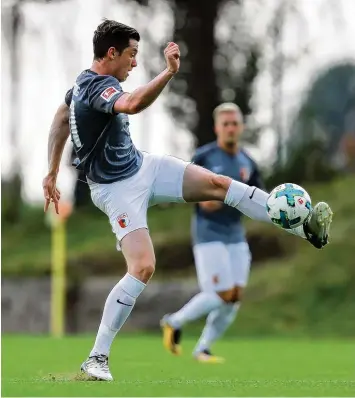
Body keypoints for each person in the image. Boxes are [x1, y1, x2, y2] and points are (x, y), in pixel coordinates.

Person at [42, 20, 333, 381]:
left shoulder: (81, 87)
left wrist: (52, 170)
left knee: (218, 183)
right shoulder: (97, 88)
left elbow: (60, 115)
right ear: (112, 53)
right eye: (132, 55)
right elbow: (131, 105)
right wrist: (168, 72)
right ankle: (96, 358)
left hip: (143, 166)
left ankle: (305, 229)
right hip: (114, 190)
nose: (134, 63)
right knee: (143, 267)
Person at [161, 103, 265, 363]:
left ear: (241, 127)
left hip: (235, 233)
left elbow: (259, 198)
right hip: (209, 234)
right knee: (220, 293)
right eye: (225, 124)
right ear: (217, 127)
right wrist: (198, 198)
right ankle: (174, 322)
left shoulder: (248, 162)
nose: (230, 128)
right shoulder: (205, 157)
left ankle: (202, 349)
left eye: (235, 123)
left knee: (234, 297)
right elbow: (181, 184)